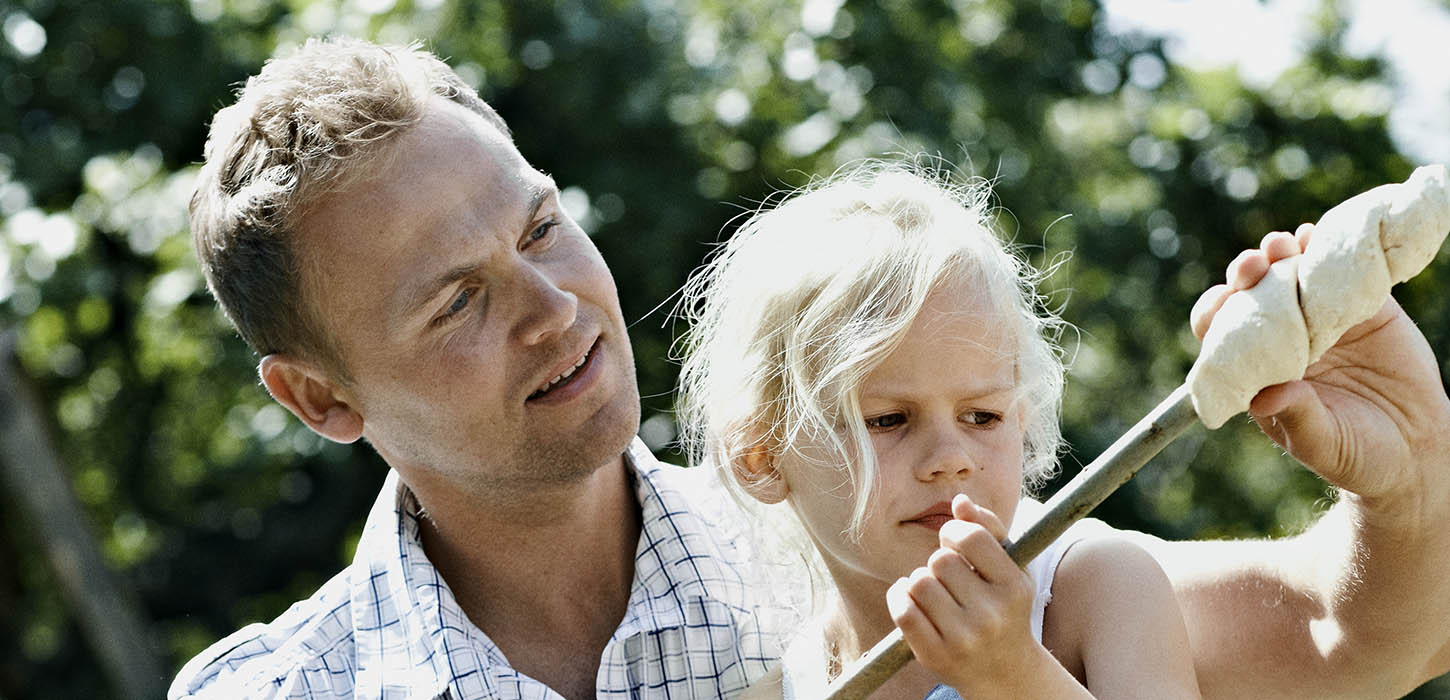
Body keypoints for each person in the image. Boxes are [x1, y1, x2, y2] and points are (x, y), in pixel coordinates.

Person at [169, 36, 1450, 699]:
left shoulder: (869, 530)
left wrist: (1415, 471)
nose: (555, 308)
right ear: (321, 398)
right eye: (458, 301)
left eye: (541, 226)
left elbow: (1350, 638)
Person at [675, 163, 1201, 699]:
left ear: (1021, 417)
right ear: (761, 456)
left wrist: (1014, 673)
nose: (950, 458)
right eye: (887, 420)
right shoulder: (786, 691)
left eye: (982, 416)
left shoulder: (1098, 587)